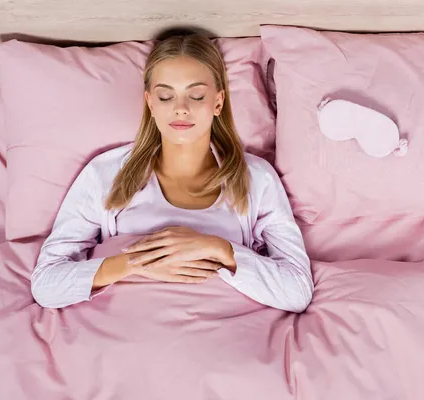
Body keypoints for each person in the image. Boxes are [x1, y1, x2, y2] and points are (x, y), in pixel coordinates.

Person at [30, 33, 314, 313]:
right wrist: (138, 263)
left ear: (218, 102)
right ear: (150, 103)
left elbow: (297, 291)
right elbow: (46, 284)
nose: (180, 109)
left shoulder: (256, 179)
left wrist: (216, 248)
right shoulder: (105, 174)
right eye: (166, 96)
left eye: (196, 95)